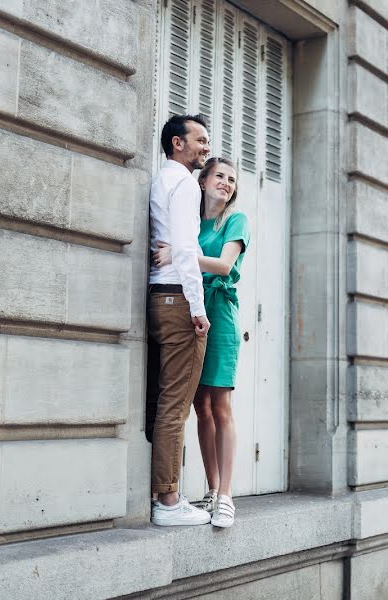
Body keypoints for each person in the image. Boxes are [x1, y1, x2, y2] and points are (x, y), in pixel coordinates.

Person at [154, 157, 249, 528]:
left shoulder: (234, 221)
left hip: (220, 315)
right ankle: (211, 489)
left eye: (231, 179)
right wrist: (180, 255)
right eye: (219, 176)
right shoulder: (193, 218)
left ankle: (226, 495)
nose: (225, 183)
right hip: (191, 311)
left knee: (220, 404)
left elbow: (225, 266)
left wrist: (181, 255)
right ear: (204, 180)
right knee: (201, 408)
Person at [147, 114, 213, 527]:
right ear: (177, 144)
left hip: (158, 295)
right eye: (200, 140)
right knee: (176, 404)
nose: (206, 147)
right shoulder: (187, 184)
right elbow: (186, 250)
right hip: (177, 298)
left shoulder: (161, 179)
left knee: (165, 401)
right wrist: (197, 307)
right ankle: (168, 501)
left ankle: (169, 495)